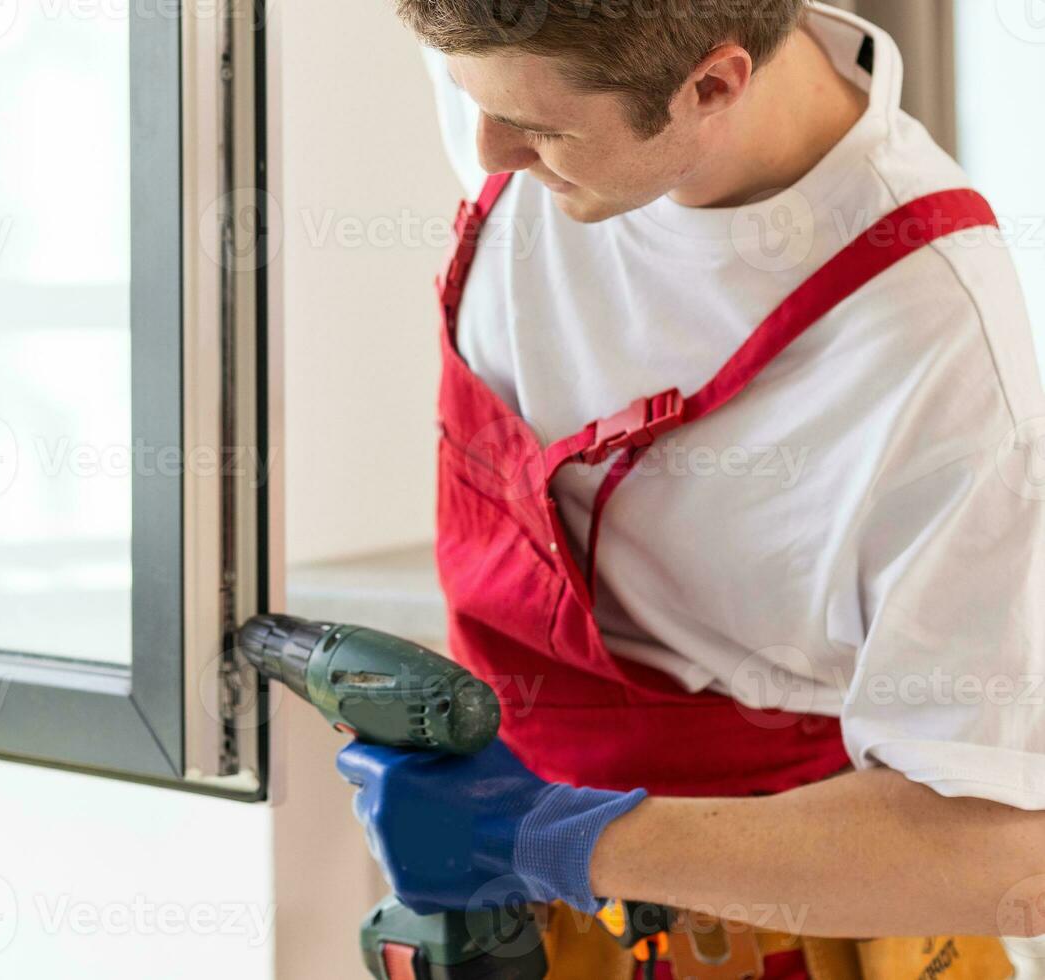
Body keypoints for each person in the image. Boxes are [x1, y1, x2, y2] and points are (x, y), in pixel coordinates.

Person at [336, 3, 1045, 978]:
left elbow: (1001, 850)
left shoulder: (934, 348)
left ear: (711, 86)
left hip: (775, 931)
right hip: (510, 908)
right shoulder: (530, 64)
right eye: (465, 95)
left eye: (539, 132)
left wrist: (552, 834)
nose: (489, 153)